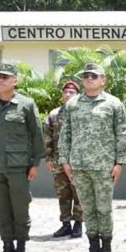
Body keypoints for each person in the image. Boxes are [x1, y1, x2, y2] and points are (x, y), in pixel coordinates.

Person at [59, 63, 126, 252]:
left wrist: (120, 162)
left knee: (104, 209)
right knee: (88, 209)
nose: (89, 78)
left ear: (103, 80)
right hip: (79, 165)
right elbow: (66, 134)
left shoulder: (114, 104)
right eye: (86, 76)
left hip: (104, 166)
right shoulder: (72, 104)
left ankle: (106, 249)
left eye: (93, 75)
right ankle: (93, 249)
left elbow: (122, 134)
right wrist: (65, 160)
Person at [0, 64, 44, 252]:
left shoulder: (26, 104)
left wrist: (35, 164)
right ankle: (7, 248)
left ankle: (21, 250)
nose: (0, 80)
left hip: (18, 168)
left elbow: (37, 135)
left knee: (20, 209)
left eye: (5, 77)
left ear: (15, 81)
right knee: (1, 209)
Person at [44, 81, 83, 238]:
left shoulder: (82, 113)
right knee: (63, 193)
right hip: (59, 160)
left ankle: (78, 224)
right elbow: (47, 138)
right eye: (65, 92)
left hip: (77, 161)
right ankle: (65, 224)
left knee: (78, 192)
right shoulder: (54, 114)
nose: (67, 94)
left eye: (71, 92)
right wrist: (48, 158)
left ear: (77, 95)